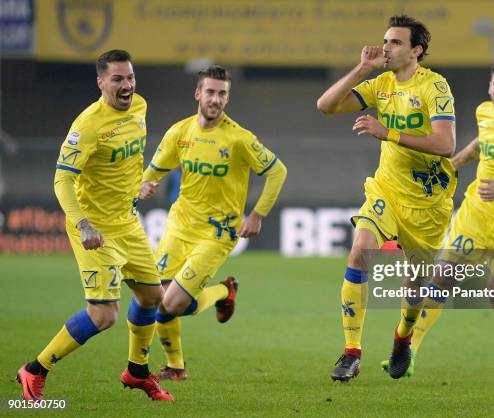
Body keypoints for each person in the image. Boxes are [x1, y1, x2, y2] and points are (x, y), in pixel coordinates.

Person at [381, 60, 494, 377]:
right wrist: (453, 163)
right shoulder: (482, 112)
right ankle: (409, 354)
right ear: (490, 87)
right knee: (440, 280)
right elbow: (483, 144)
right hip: (475, 214)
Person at [16, 50, 173, 400]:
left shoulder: (140, 107)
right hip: (95, 229)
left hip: (127, 222)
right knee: (104, 316)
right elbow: (61, 180)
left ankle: (137, 372)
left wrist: (137, 186)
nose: (127, 85)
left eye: (130, 77)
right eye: (117, 79)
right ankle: (34, 369)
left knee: (152, 296)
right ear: (101, 82)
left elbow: (127, 160)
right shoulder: (86, 126)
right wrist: (84, 225)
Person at [316, 15, 457, 381]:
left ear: (416, 50)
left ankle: (403, 336)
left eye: (395, 42)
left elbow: (446, 144)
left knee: (414, 289)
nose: (386, 47)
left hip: (428, 203)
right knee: (360, 250)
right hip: (387, 190)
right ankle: (351, 352)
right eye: (385, 41)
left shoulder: (435, 87)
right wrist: (361, 68)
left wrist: (387, 132)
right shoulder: (380, 83)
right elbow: (326, 105)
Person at [139, 65, 287, 380]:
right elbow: (153, 171)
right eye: (211, 92)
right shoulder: (179, 132)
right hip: (179, 226)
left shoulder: (239, 138)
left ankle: (223, 291)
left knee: (172, 303)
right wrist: (145, 185)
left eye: (222, 94)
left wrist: (257, 215)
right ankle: (176, 368)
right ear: (198, 93)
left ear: (227, 98)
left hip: (217, 234)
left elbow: (278, 171)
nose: (216, 99)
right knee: (158, 301)